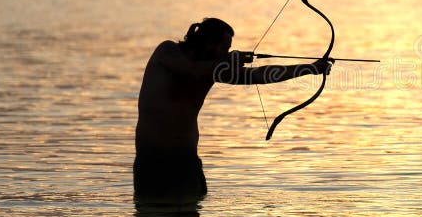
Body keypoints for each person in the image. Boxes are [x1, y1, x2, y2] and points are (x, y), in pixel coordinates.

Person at [134, 17, 332, 197]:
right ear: (209, 43)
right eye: (225, 47)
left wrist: (311, 68)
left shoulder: (214, 69)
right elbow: (191, 71)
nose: (227, 52)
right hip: (153, 160)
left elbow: (259, 75)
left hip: (187, 162)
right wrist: (228, 61)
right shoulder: (167, 51)